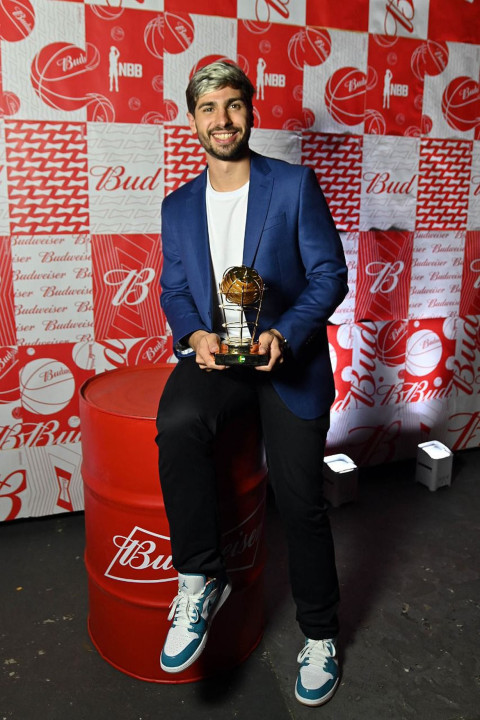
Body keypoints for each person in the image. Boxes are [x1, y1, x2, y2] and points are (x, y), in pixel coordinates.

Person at [155, 60, 348, 707]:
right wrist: (194, 335)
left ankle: (320, 634)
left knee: (299, 502)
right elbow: (174, 289)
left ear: (250, 111)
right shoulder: (177, 205)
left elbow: (329, 275)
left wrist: (285, 334)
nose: (222, 119)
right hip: (221, 361)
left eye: (233, 105)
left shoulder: (293, 185)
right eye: (208, 108)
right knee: (177, 422)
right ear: (192, 120)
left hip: (288, 363)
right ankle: (200, 577)